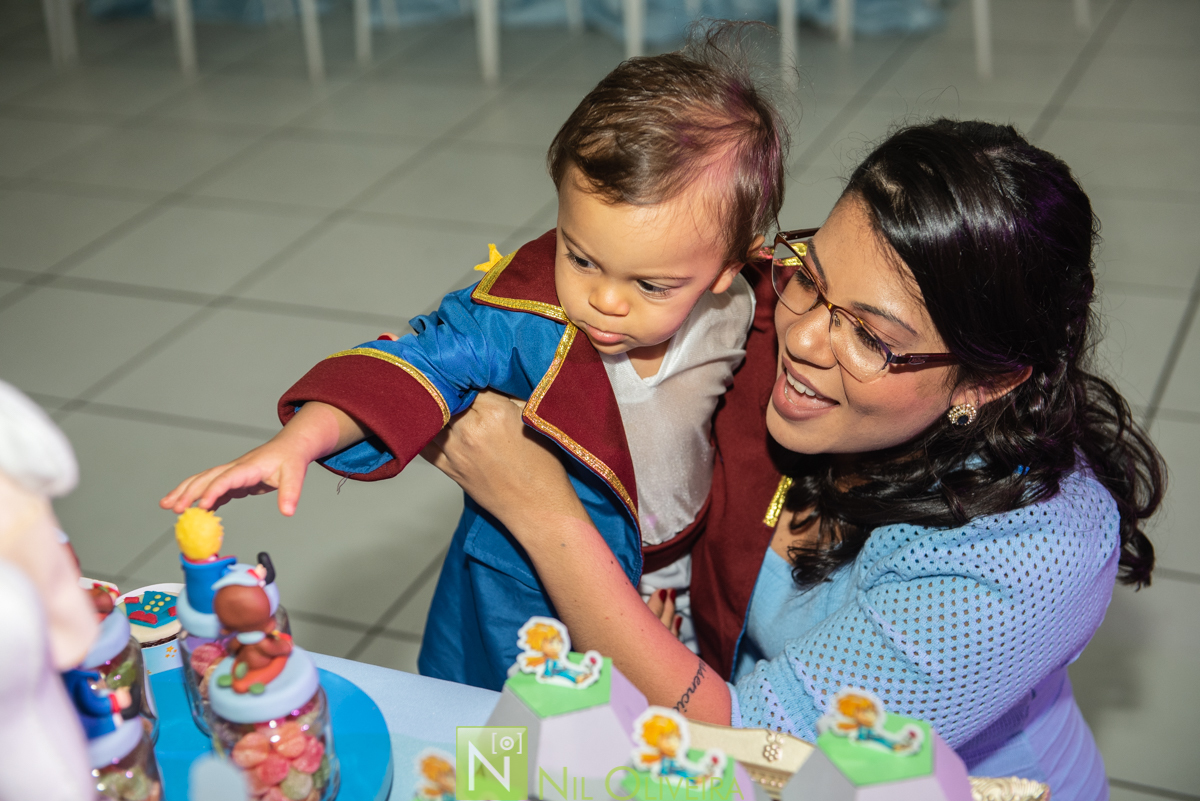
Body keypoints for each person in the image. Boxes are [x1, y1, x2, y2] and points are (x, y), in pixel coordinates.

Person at [418, 119, 1165, 801]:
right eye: (810, 274)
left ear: (985, 381)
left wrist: (542, 513)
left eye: (872, 338)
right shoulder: (758, 322)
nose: (800, 339)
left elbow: (757, 751)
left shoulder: (1030, 551)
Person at [160, 27, 789, 690]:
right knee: (517, 718)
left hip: (680, 568)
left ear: (727, 267)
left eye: (650, 285)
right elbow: (420, 360)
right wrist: (300, 438)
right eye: (580, 257)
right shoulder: (526, 317)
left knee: (653, 738)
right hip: (536, 579)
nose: (604, 300)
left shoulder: (746, 310)